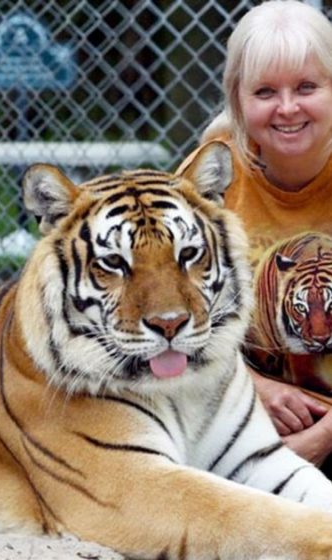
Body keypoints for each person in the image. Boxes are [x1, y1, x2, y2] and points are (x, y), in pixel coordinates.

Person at [191, 0, 332, 466]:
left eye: (307, 87)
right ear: (237, 99)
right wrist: (254, 388)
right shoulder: (212, 176)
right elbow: (172, 314)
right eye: (266, 91)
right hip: (239, 410)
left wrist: (320, 439)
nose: (287, 108)